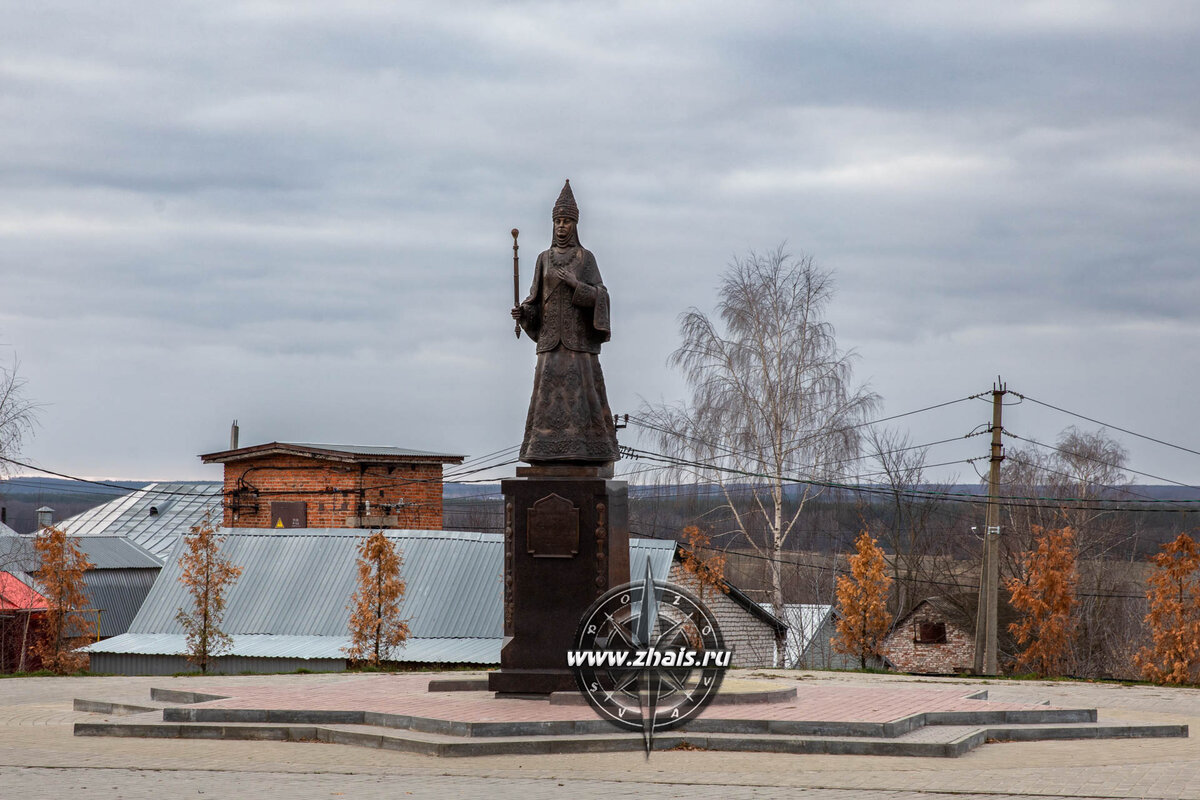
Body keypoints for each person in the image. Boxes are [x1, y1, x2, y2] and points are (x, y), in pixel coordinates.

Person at [511, 180, 620, 464]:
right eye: (558, 221)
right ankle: (543, 451)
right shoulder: (543, 259)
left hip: (577, 344)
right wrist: (524, 314)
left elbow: (602, 296)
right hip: (550, 344)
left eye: (567, 221)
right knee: (546, 399)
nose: (561, 226)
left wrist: (575, 285)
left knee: (583, 399)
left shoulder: (585, 258)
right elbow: (536, 301)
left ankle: (590, 450)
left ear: (575, 225)